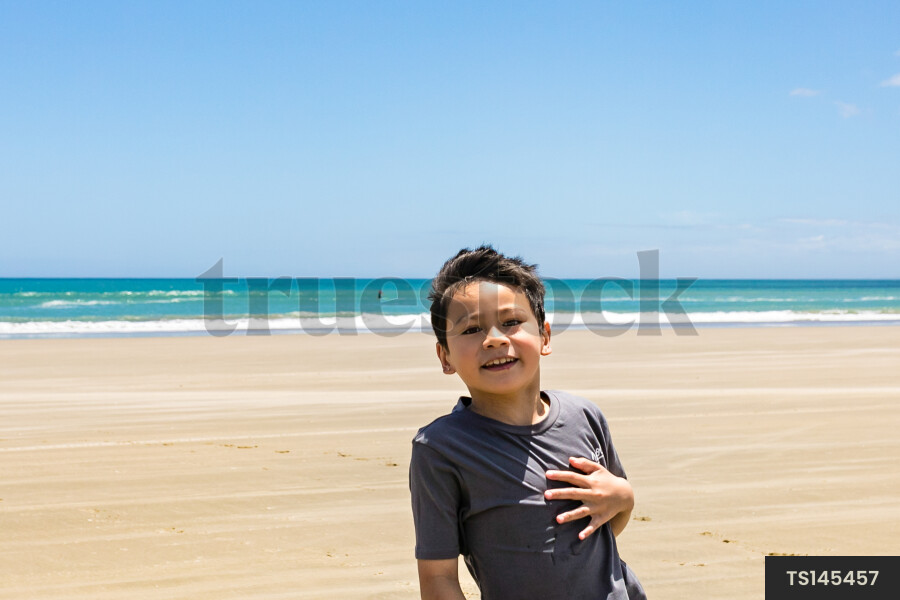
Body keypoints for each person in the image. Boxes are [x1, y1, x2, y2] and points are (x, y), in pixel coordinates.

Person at [410, 245, 646, 599]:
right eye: (471, 329)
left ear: (544, 337)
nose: (494, 339)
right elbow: (438, 577)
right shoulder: (441, 449)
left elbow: (601, 529)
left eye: (511, 322)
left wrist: (624, 497)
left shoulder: (585, 416)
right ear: (445, 357)